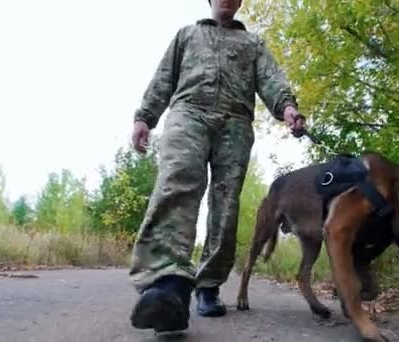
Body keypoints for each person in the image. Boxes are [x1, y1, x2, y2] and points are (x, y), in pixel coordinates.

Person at [128, 0, 305, 333]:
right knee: (176, 185)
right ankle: (166, 286)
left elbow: (271, 80)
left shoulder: (253, 43)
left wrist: (288, 109)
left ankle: (208, 285)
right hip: (188, 113)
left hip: (235, 123)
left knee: (226, 204)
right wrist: (144, 117)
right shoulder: (187, 34)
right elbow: (163, 78)